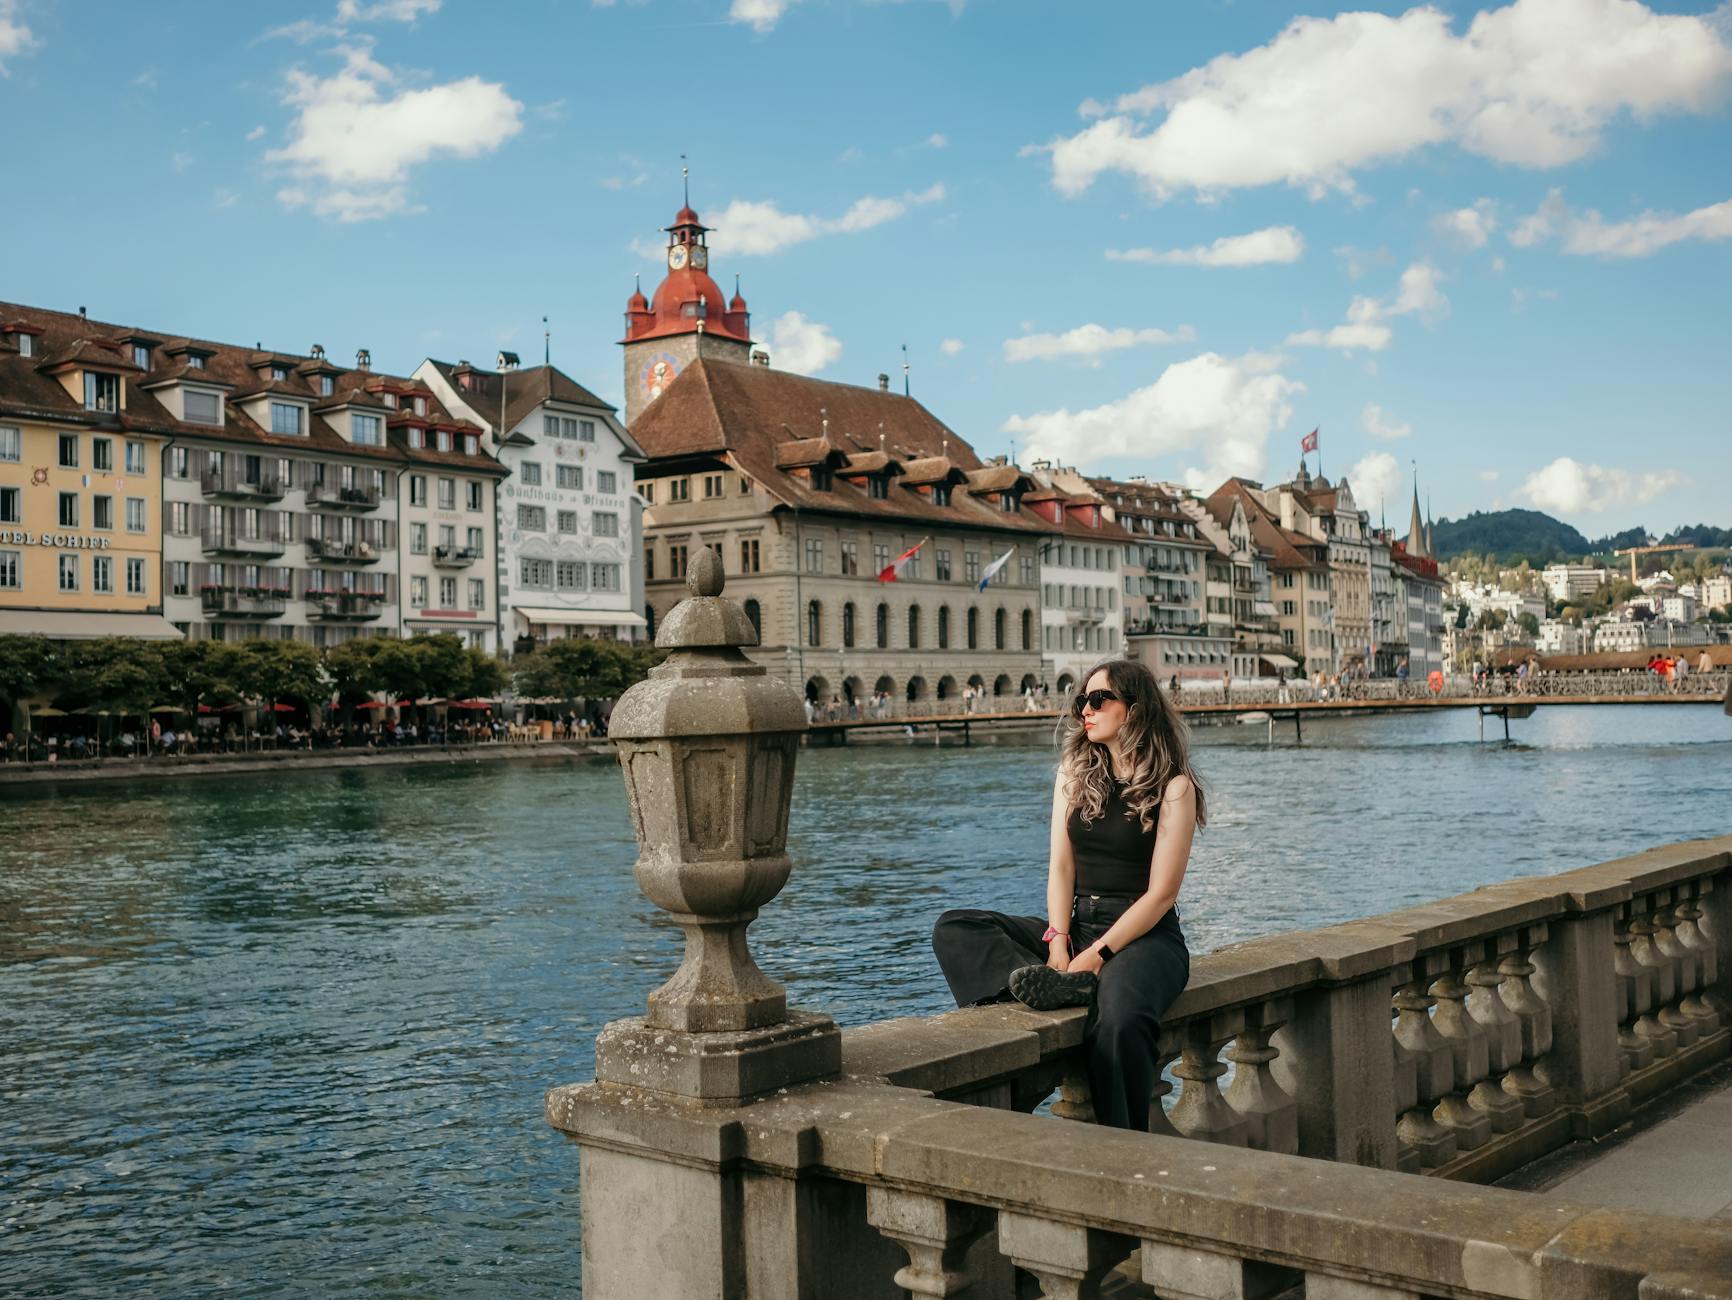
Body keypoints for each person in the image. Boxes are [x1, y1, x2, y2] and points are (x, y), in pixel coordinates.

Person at [931, 657, 1200, 1133]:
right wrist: (1058, 942)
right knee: (956, 928)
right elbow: (1061, 867)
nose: (1085, 711)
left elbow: (1161, 895)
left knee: (1120, 1023)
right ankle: (1057, 989)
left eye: (1098, 700)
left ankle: (1124, 1144)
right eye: (1081, 702)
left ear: (1134, 709)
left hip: (1146, 938)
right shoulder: (1074, 773)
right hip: (1077, 926)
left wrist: (1097, 955)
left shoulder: (1174, 787)